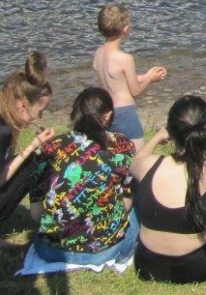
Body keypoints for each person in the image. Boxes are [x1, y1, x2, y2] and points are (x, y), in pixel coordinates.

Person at [130, 95, 206, 284]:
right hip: (195, 269)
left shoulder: (150, 165)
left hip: (147, 266)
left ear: (172, 132)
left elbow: (133, 164)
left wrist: (157, 137)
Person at [31, 87, 138, 266]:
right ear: (107, 115)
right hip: (102, 251)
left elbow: (36, 214)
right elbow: (126, 205)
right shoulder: (121, 146)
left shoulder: (50, 147)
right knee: (137, 208)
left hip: (50, 250)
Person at [92, 3, 167, 150]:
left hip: (106, 111)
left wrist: (145, 75)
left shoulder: (98, 54)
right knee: (136, 157)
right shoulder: (125, 59)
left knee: (115, 155)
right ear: (125, 29)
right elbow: (135, 91)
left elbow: (117, 80)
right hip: (125, 113)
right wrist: (150, 79)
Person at [0, 53, 54, 246]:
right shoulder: (3, 131)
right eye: (39, 112)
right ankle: (42, 218)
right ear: (22, 105)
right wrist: (32, 147)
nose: (38, 119)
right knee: (34, 163)